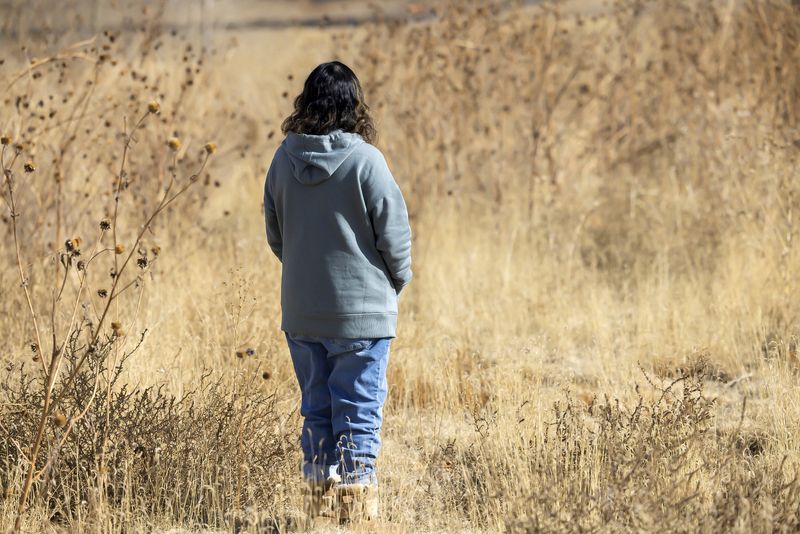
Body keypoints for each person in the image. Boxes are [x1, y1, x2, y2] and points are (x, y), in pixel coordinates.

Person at [263, 61, 412, 524]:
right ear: (354, 104)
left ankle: (315, 509)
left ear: (306, 101)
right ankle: (357, 513)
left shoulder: (283, 158)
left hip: (303, 311)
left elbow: (275, 232)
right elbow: (395, 236)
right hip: (362, 312)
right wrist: (394, 281)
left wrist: (305, 275)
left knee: (317, 411)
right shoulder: (367, 160)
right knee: (359, 409)